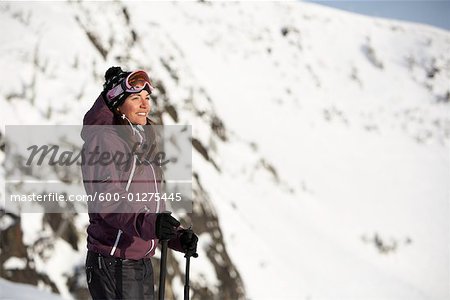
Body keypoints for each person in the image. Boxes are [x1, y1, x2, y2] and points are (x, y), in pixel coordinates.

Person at [81, 66, 198, 299]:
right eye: (136, 98)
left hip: (140, 261)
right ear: (117, 104)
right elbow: (109, 200)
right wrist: (151, 224)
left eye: (147, 97)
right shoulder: (105, 140)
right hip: (115, 262)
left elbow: (149, 204)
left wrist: (175, 235)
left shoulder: (141, 138)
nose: (145, 105)